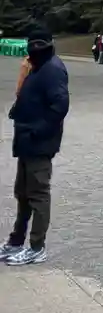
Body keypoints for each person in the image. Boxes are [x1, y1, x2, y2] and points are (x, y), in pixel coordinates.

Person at [2, 23, 68, 266]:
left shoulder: (52, 69)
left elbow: (60, 106)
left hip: (39, 142)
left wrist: (38, 131)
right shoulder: (37, 66)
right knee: (23, 193)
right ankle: (16, 241)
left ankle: (37, 247)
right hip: (27, 140)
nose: (35, 48)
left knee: (38, 194)